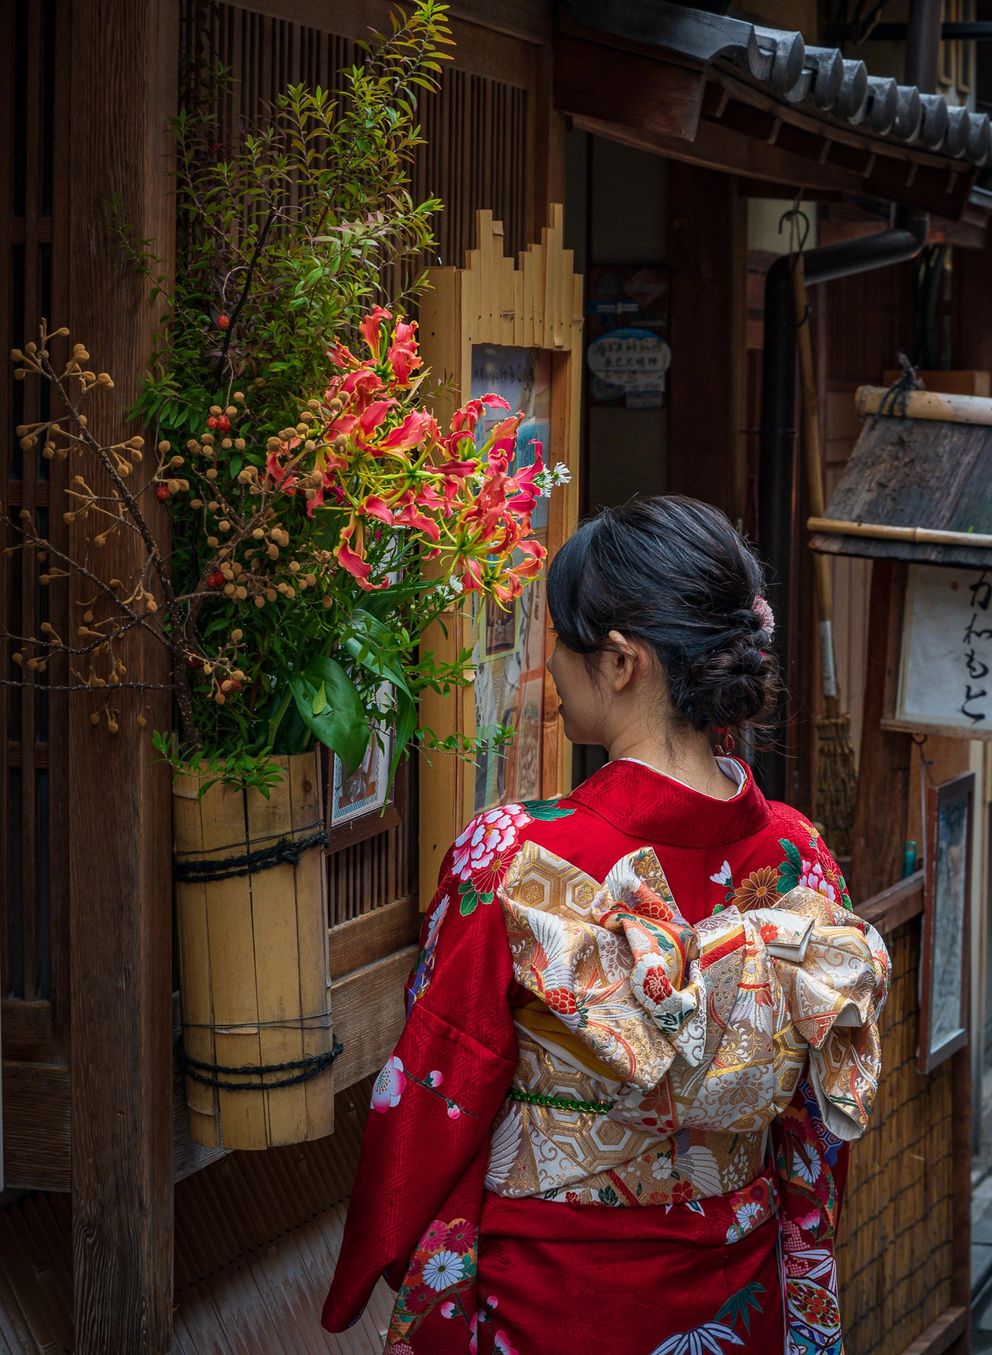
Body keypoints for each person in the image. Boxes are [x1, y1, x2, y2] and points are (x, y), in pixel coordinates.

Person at [323, 495, 891, 1354]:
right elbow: (816, 1122)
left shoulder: (513, 858)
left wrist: (390, 1251)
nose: (549, 664)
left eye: (561, 638)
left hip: (552, 1297)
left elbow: (437, 1092)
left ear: (622, 662)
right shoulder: (798, 855)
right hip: (733, 1287)